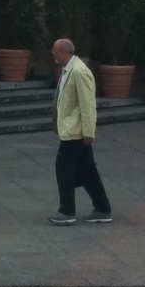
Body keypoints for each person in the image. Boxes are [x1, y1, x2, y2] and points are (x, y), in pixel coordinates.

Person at [49, 38, 113, 225]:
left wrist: (88, 132)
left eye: (54, 51)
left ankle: (67, 211)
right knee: (87, 171)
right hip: (73, 128)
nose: (52, 54)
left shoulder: (79, 71)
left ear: (62, 52)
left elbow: (88, 104)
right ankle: (102, 208)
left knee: (64, 168)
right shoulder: (70, 69)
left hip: (75, 131)